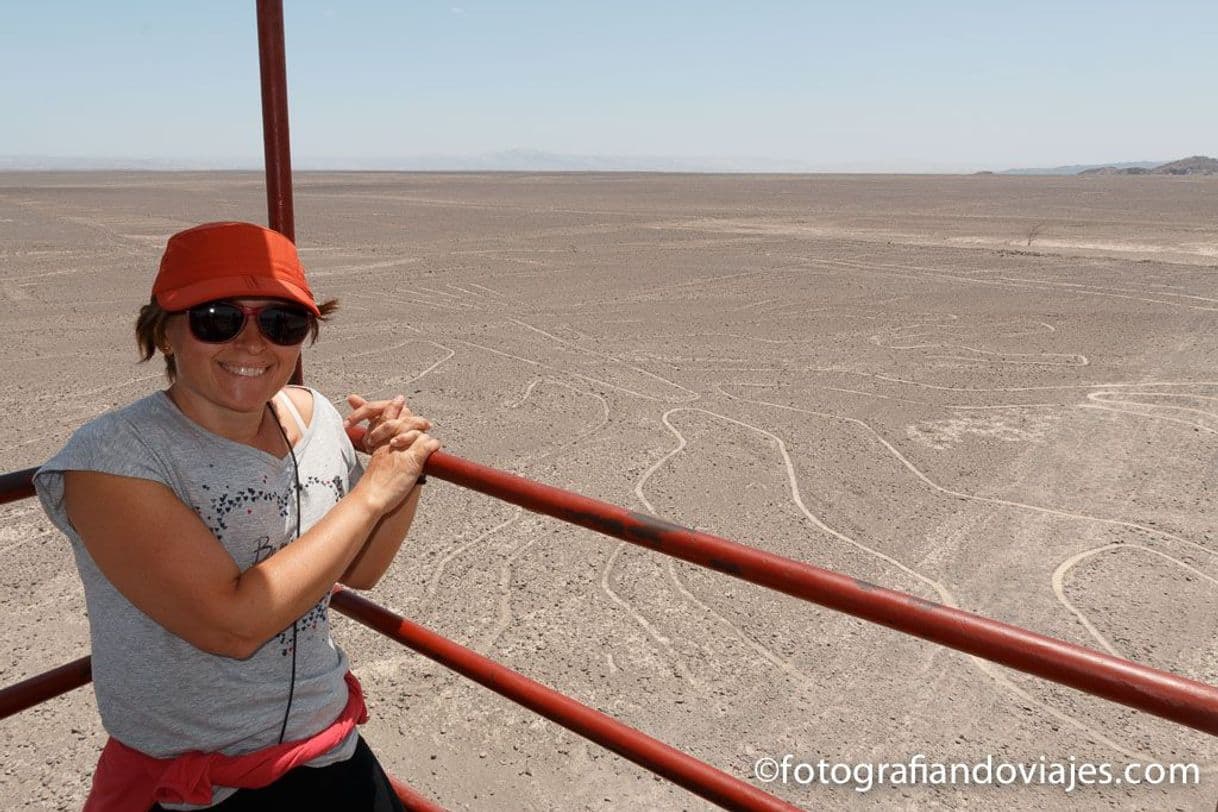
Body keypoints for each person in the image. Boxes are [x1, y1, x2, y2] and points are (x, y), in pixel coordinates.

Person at [34, 221, 440, 811]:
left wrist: (400, 467)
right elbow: (232, 627)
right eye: (218, 319)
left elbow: (364, 567)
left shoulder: (314, 417)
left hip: (326, 744)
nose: (253, 344)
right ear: (166, 334)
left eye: (281, 323)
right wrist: (374, 493)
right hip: (194, 782)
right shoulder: (114, 460)